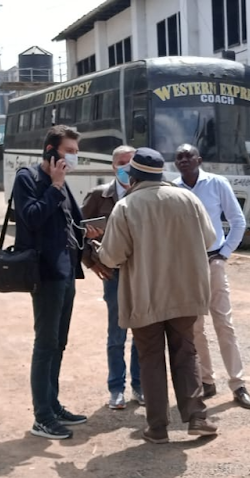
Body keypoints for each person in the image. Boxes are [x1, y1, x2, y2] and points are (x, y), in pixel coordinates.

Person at [96, 147, 218, 444]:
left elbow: (111, 257)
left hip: (145, 295)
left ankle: (158, 427)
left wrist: (96, 248)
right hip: (185, 292)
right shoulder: (188, 199)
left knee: (150, 358)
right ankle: (197, 417)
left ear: (133, 175)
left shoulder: (126, 206)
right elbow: (211, 239)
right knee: (185, 353)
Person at [13, 125, 88, 440]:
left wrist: (90, 233)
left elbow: (72, 221)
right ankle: (41, 416)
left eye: (75, 151)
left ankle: (53, 405)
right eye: (68, 150)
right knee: (44, 345)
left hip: (67, 271)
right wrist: (55, 186)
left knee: (59, 343)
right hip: (44, 273)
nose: (72, 156)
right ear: (50, 150)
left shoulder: (63, 184)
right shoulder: (28, 179)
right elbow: (30, 217)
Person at [172, 144, 250, 410]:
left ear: (199, 159)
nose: (184, 160)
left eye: (189, 156)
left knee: (224, 324)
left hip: (213, 261)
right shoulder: (173, 189)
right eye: (179, 157)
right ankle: (207, 381)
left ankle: (238, 384)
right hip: (187, 267)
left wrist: (224, 253)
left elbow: (237, 220)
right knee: (195, 328)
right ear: (175, 163)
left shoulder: (217, 183)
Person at [81, 145, 143, 410]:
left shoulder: (145, 195)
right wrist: (91, 262)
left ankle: (139, 387)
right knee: (117, 334)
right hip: (113, 273)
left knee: (142, 333)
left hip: (141, 273)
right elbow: (75, 232)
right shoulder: (99, 196)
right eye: (121, 163)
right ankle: (115, 389)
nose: (125, 167)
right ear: (112, 166)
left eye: (130, 162)